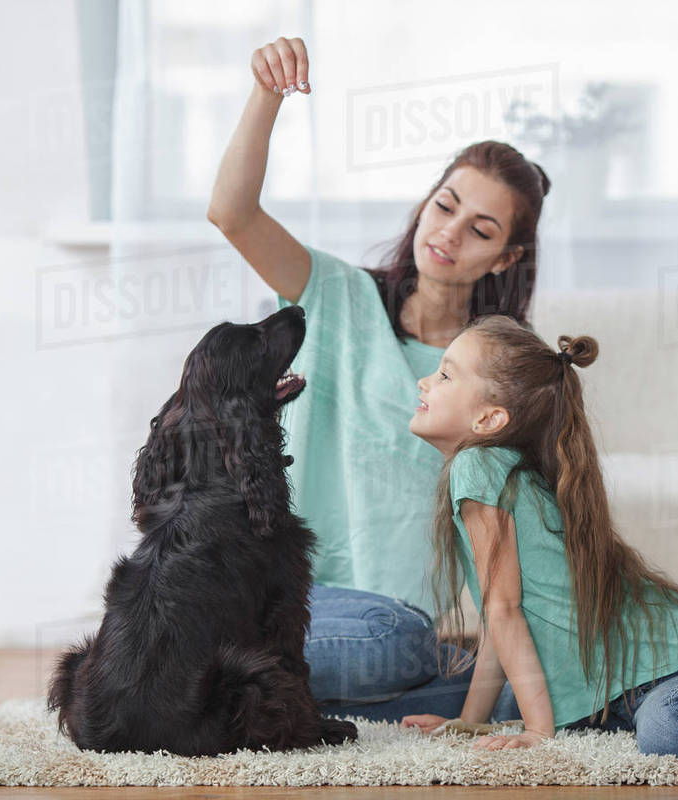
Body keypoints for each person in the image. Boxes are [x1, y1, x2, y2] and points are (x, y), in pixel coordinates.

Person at [206, 36, 547, 718]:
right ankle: (250, 685)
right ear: (426, 202)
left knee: (416, 653)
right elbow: (231, 214)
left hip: (386, 627)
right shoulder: (332, 293)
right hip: (277, 597)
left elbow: (507, 547)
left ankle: (233, 694)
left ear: (506, 258)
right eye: (444, 205)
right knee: (408, 659)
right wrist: (267, 95)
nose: (448, 234)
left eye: (480, 229)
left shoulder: (497, 379)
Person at [389, 315, 678, 757]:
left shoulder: (478, 467)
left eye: (446, 375)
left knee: (672, 733)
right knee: (521, 704)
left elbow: (504, 611)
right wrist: (473, 721)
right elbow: (503, 623)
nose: (424, 382)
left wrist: (539, 733)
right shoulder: (495, 472)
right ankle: (586, 717)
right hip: (610, 689)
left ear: (489, 420)